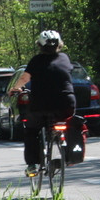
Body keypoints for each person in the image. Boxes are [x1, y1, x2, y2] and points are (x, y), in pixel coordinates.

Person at [8, 29, 75, 176]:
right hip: (66, 103)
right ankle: (66, 148)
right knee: (68, 124)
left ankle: (32, 165)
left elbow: (25, 79)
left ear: (40, 45)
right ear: (59, 44)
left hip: (40, 104)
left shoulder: (36, 61)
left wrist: (15, 88)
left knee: (31, 130)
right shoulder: (65, 58)